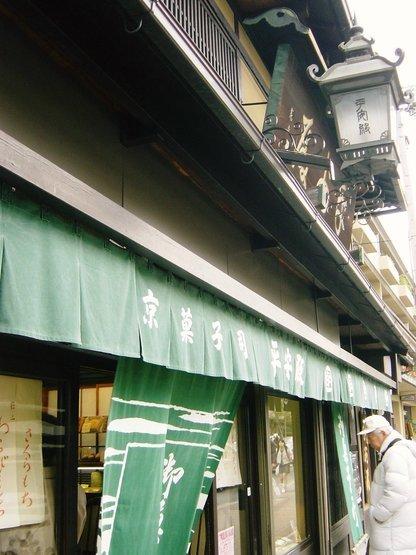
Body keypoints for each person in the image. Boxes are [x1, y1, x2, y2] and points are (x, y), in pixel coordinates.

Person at [358, 414, 416, 554]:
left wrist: (377, 514)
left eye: (370, 437)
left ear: (383, 433)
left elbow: (397, 492)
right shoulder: (399, 450)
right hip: (399, 529)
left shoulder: (394, 454)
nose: (368, 442)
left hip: (393, 534)